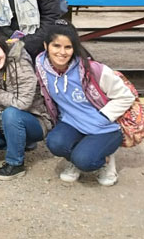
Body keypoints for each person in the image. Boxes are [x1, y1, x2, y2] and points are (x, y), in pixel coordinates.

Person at [36, 22, 135, 186]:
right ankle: (76, 157)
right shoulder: (41, 67)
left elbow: (126, 96)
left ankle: (105, 160)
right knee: (55, 143)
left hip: (104, 127)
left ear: (74, 48)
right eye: (56, 46)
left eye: (68, 47)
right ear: (46, 45)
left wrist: (103, 116)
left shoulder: (92, 70)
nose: (62, 52)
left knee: (85, 160)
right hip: (73, 123)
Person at [0, 32, 52, 180]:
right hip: (4, 117)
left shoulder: (21, 64)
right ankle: (18, 142)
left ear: (4, 48)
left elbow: (21, 104)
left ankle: (15, 164)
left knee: (11, 113)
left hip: (34, 119)